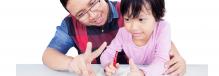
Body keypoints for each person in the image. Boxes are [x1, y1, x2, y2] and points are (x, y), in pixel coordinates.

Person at [42, 0, 186, 76]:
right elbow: (48, 55)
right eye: (81, 14)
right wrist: (71, 63)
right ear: (72, 15)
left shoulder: (128, 8)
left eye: (92, 3)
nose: (92, 15)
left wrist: (177, 57)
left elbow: (158, 35)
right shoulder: (69, 24)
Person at [100, 0, 173, 75]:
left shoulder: (163, 28)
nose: (134, 27)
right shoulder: (123, 33)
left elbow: (162, 61)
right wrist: (108, 65)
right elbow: (107, 54)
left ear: (157, 16)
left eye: (141, 19)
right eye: (127, 19)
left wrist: (142, 73)